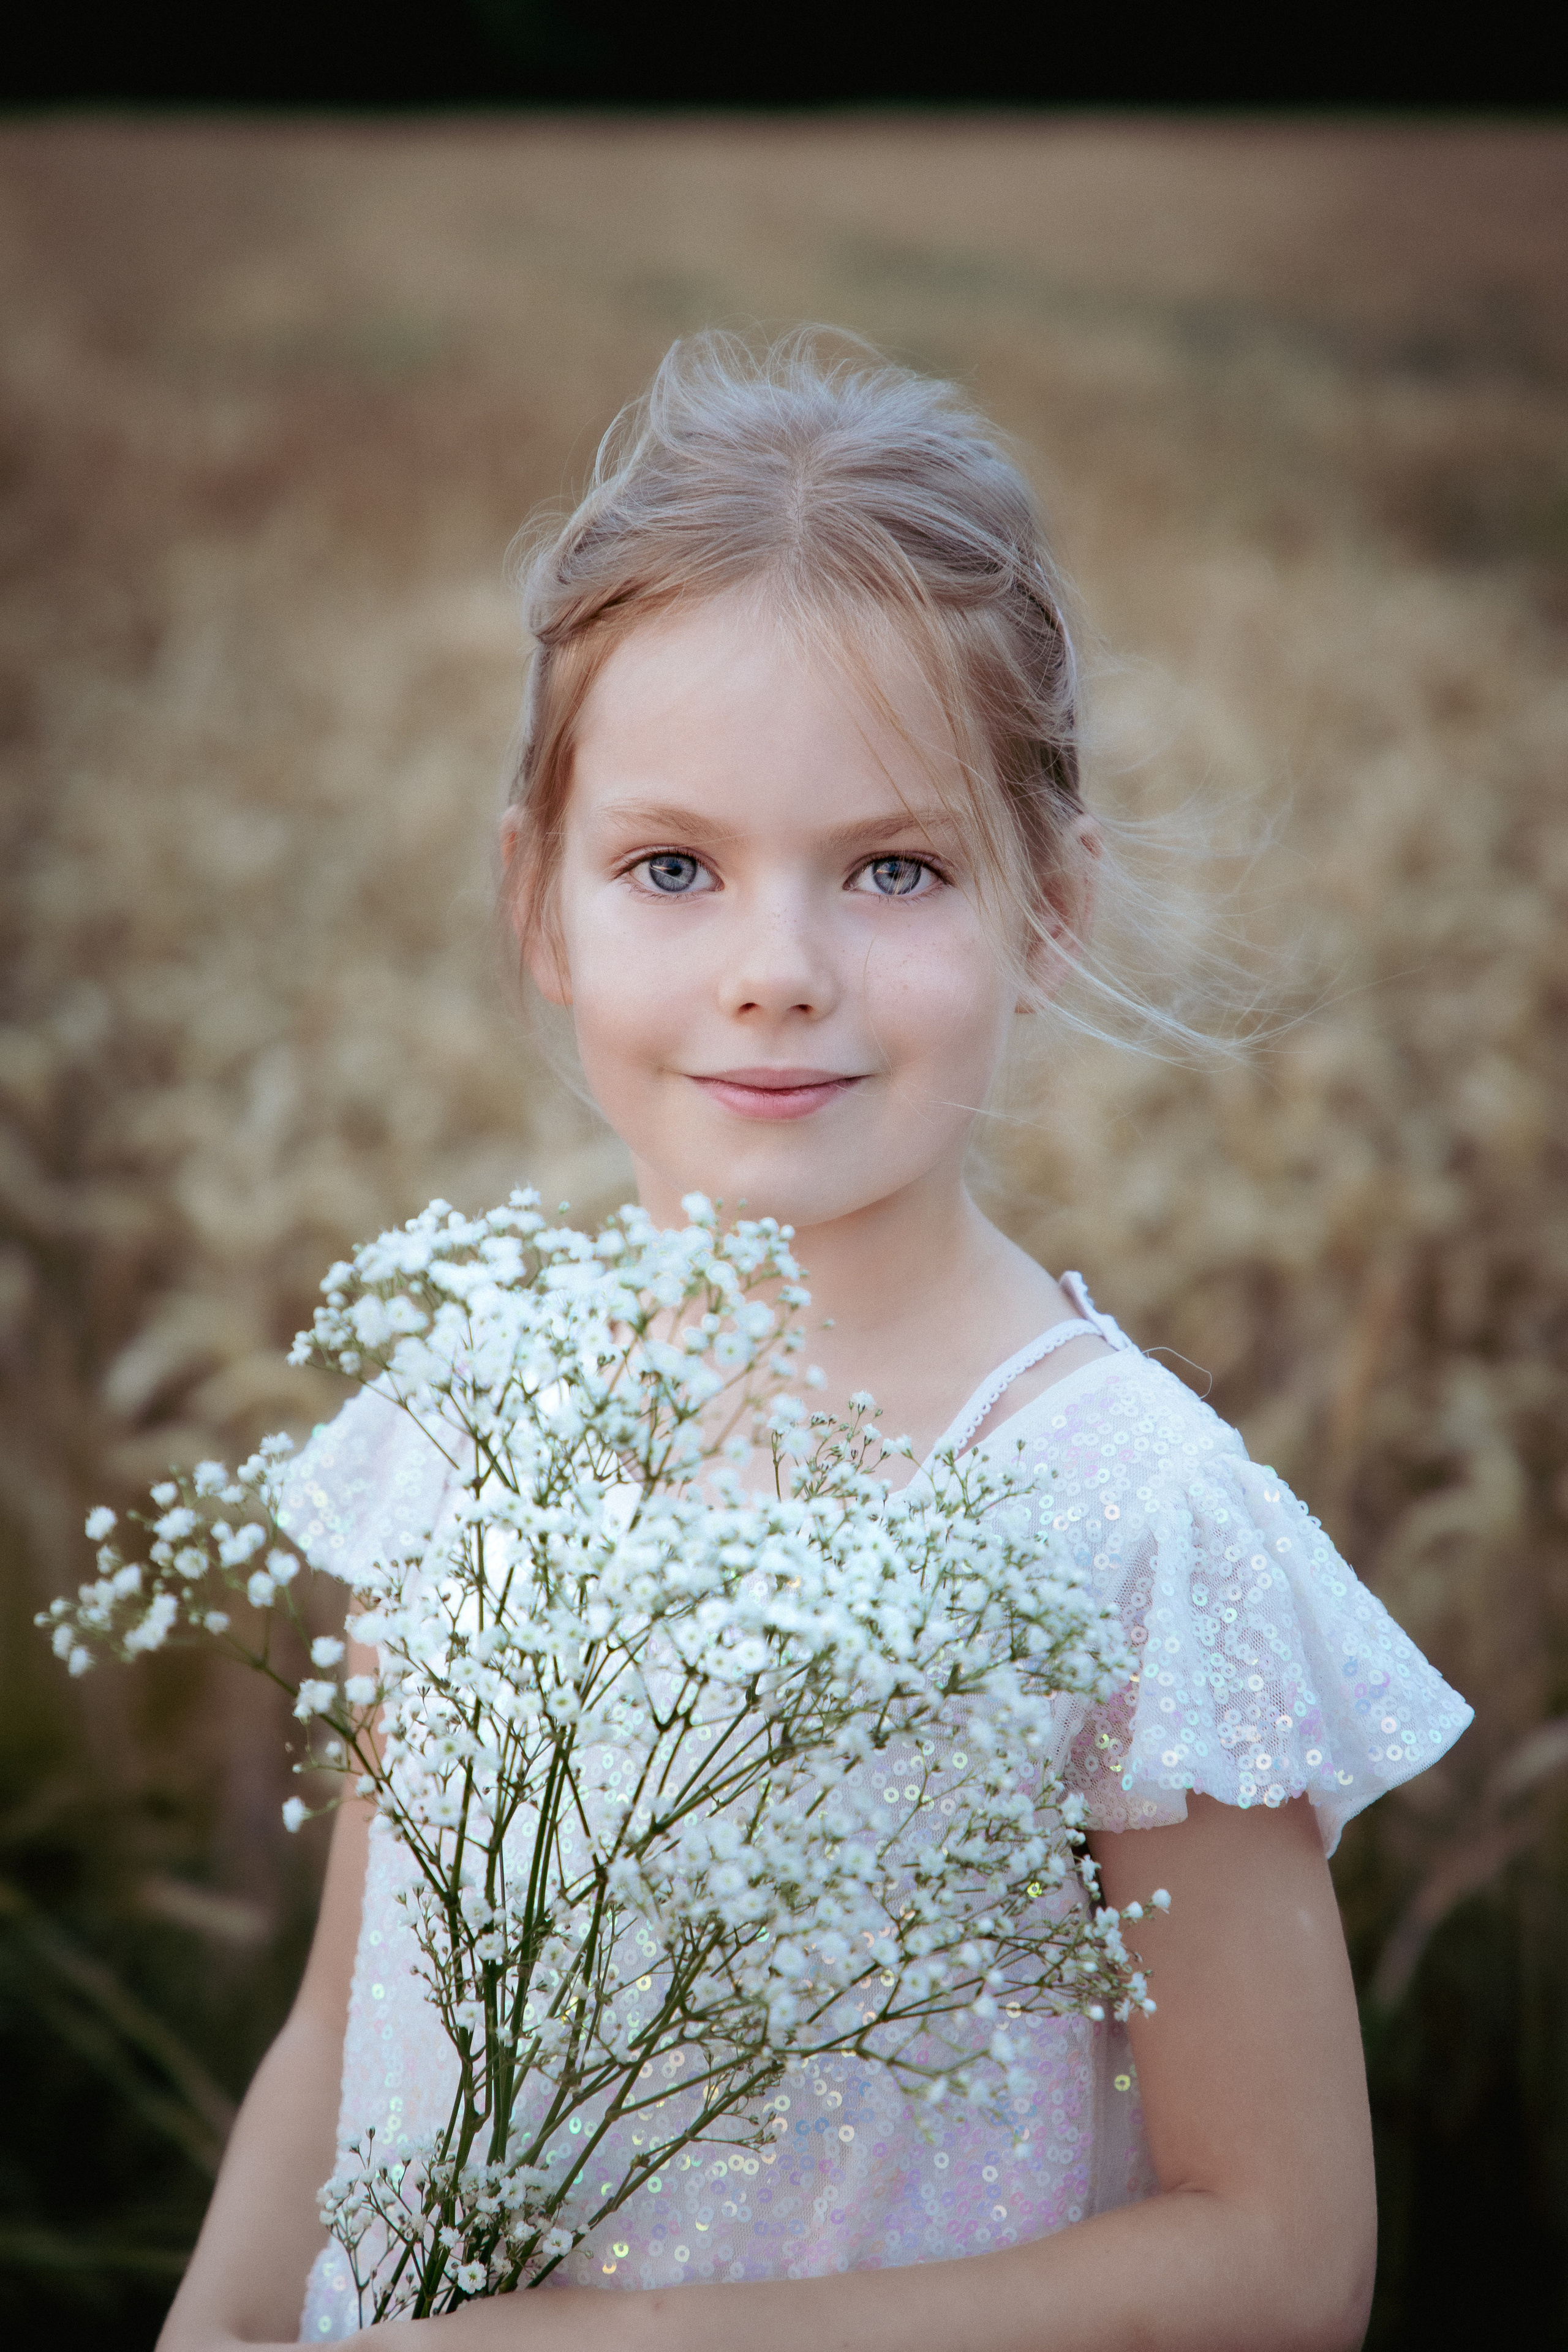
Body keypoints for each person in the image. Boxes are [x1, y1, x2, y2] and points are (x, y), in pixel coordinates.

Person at [158, 333, 1470, 2352]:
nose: (777, 971)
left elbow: (1289, 2262)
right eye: (673, 868)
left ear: (1049, 909)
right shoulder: (468, 1412)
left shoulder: (1130, 1518)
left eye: (894, 868)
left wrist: (636, 2346)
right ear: (542, 904)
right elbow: (350, 2024)